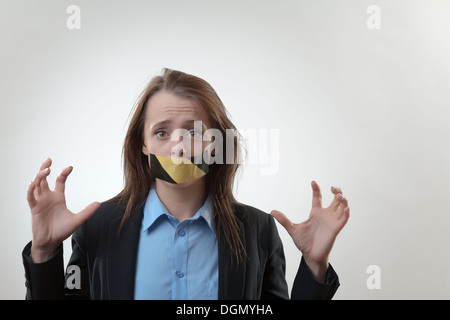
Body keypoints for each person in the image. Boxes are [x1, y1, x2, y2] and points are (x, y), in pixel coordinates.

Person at [22, 68, 350, 300]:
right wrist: (45, 251)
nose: (178, 148)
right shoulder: (98, 228)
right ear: (143, 144)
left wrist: (314, 266)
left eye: (193, 132)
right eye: (162, 132)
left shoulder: (258, 230)